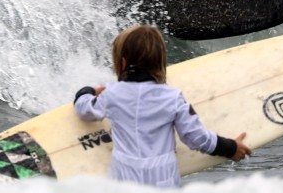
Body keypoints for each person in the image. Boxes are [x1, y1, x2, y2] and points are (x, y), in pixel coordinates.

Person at [74, 25, 251, 188]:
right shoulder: (173, 98)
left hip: (123, 177)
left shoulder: (111, 94)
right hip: (162, 179)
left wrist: (86, 92)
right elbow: (196, 138)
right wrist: (230, 147)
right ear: (160, 63)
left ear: (122, 63)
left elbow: (85, 110)